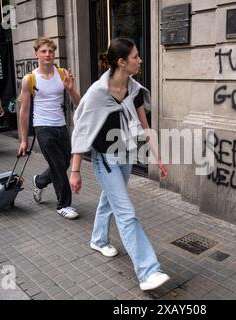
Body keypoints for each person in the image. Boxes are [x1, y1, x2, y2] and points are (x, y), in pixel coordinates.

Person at [69, 38, 170, 291]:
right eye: (136, 56)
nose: (140, 60)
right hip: (105, 159)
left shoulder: (133, 89)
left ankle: (98, 239)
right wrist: (76, 169)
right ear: (121, 62)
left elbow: (145, 127)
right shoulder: (97, 93)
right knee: (126, 212)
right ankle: (148, 271)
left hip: (125, 155)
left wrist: (158, 156)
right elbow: (82, 130)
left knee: (110, 199)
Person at [18, 37, 81, 220]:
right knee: (58, 167)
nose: (48, 54)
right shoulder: (29, 79)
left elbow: (79, 103)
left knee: (64, 162)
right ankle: (64, 205)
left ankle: (39, 181)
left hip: (61, 125)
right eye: (44, 51)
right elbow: (24, 111)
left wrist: (70, 89)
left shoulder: (62, 74)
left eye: (51, 51)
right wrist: (24, 140)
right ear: (36, 54)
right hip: (42, 127)